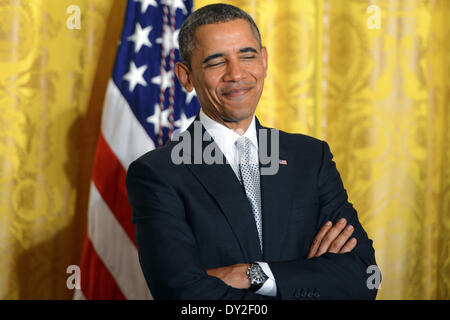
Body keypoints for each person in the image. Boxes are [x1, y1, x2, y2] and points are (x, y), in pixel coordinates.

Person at [126, 3, 379, 300]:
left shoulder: (311, 158)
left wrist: (253, 275)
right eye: (216, 62)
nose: (236, 74)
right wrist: (305, 279)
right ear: (186, 77)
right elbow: (182, 295)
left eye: (247, 55)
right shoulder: (158, 173)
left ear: (265, 60)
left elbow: (363, 278)